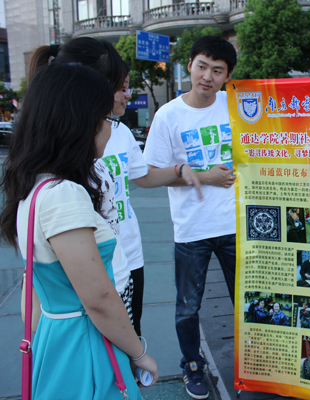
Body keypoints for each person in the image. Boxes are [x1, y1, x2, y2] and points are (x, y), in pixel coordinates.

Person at [0, 63, 158, 398]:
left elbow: (33, 298)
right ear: (81, 123)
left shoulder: (33, 188)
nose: (109, 127)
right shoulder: (65, 195)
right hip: (86, 341)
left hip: (56, 336)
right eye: (106, 118)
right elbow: (99, 298)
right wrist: (139, 353)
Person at [27, 38, 202, 334]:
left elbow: (142, 175)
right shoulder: (57, 172)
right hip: (88, 270)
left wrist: (179, 170)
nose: (126, 95)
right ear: (88, 86)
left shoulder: (117, 132)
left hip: (125, 258)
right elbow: (89, 299)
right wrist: (139, 353)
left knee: (127, 336)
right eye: (120, 87)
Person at [143, 35, 237, 400]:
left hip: (235, 225)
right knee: (187, 306)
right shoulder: (168, 115)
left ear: (228, 76)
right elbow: (151, 174)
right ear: (190, 66)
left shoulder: (236, 105)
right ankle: (193, 365)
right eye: (202, 66)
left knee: (248, 299)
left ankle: (255, 363)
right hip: (191, 228)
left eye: (218, 70)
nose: (207, 77)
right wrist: (204, 175)